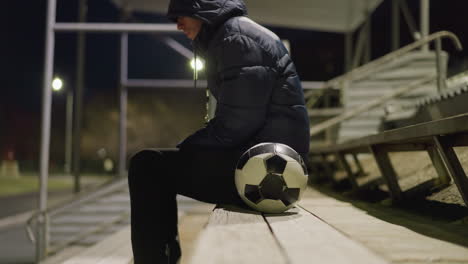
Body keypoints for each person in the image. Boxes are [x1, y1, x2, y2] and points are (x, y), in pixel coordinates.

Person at [127, 0, 310, 263]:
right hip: (266, 162)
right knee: (155, 164)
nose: (178, 25)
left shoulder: (237, 39)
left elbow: (235, 126)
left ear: (203, 8)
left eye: (182, 15)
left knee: (148, 166)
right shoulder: (234, 35)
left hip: (267, 173)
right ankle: (163, 256)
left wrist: (185, 148)